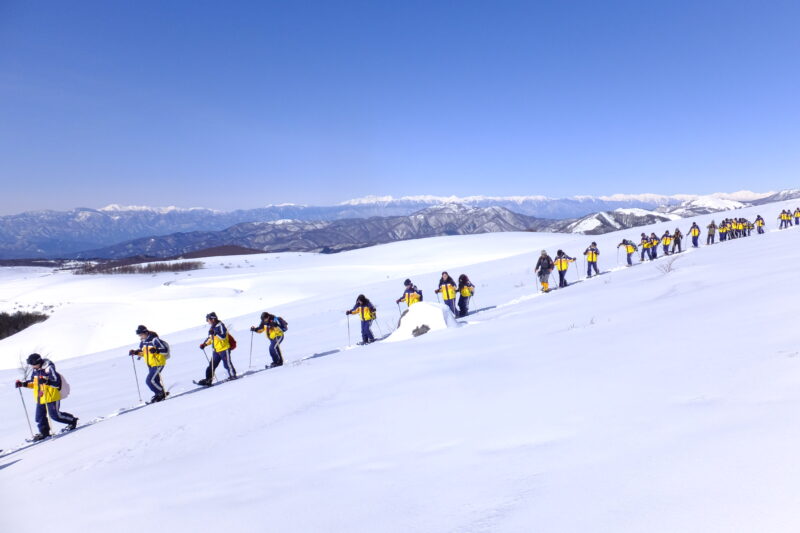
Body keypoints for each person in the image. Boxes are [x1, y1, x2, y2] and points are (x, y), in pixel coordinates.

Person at [15, 353, 78, 441]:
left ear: (39, 362)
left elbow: (56, 382)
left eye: (34, 364)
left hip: (51, 396)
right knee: (39, 417)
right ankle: (44, 433)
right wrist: (23, 384)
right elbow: (34, 383)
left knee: (55, 416)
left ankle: (72, 421)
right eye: (31, 365)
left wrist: (46, 381)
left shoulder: (49, 368)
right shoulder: (35, 370)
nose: (32, 367)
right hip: (40, 397)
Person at [129, 325, 168, 403]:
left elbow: (165, 350)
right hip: (150, 364)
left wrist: (156, 350)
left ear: (145, 332)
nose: (140, 336)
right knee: (155, 381)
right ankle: (159, 394)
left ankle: (161, 393)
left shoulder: (154, 340)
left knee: (149, 381)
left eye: (141, 334)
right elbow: (143, 353)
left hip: (158, 363)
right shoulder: (143, 342)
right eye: (139, 335)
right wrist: (135, 352)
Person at [196, 312, 236, 386]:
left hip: (224, 349)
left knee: (227, 364)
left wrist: (215, 333)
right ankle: (208, 380)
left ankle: (233, 375)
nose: (207, 321)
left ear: (213, 319)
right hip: (216, 351)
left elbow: (223, 337)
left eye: (208, 319)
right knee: (211, 366)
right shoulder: (212, 327)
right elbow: (211, 338)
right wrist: (204, 344)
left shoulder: (221, 325)